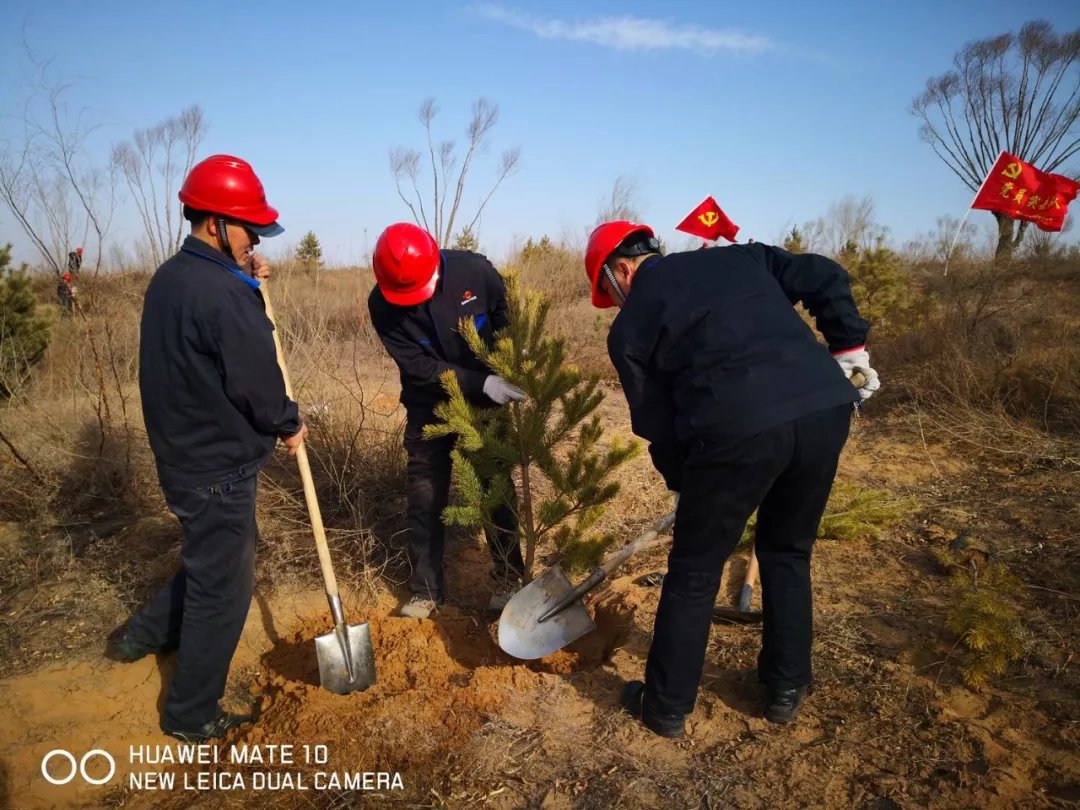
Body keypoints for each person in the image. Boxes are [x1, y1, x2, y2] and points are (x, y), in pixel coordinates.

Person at [583, 220, 880, 738]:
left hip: (735, 430)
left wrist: (688, 480)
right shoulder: (741, 258)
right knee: (788, 550)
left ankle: (666, 707)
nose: (615, 304)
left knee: (695, 569)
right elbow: (825, 275)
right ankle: (784, 688)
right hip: (824, 410)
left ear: (621, 270)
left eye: (609, 292)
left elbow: (656, 424)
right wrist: (847, 344)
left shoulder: (629, 330)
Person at [107, 154, 307, 742]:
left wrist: (246, 279)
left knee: (212, 555)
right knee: (226, 584)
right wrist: (287, 422)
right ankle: (191, 713)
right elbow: (257, 381)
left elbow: (204, 344)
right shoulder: (222, 294)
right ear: (217, 223)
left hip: (181, 454)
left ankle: (140, 636)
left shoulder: (173, 277)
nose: (256, 240)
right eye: (250, 229)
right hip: (217, 464)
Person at [368, 222, 525, 619]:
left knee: (494, 483)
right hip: (430, 402)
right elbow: (418, 365)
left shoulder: (474, 271)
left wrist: (507, 364)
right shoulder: (382, 305)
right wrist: (478, 382)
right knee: (424, 490)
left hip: (488, 402)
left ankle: (509, 578)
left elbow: (509, 313)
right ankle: (426, 590)